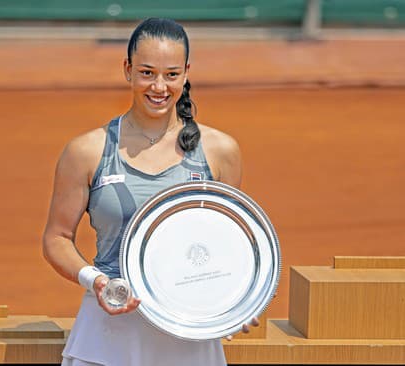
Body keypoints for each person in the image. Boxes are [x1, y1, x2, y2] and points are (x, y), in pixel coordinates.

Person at [42, 18, 254, 366]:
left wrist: (239, 299)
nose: (159, 86)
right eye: (147, 73)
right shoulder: (86, 151)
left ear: (186, 73)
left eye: (171, 74)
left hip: (189, 335)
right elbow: (57, 238)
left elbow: (226, 243)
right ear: (127, 70)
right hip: (106, 337)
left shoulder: (221, 151)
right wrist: (96, 282)